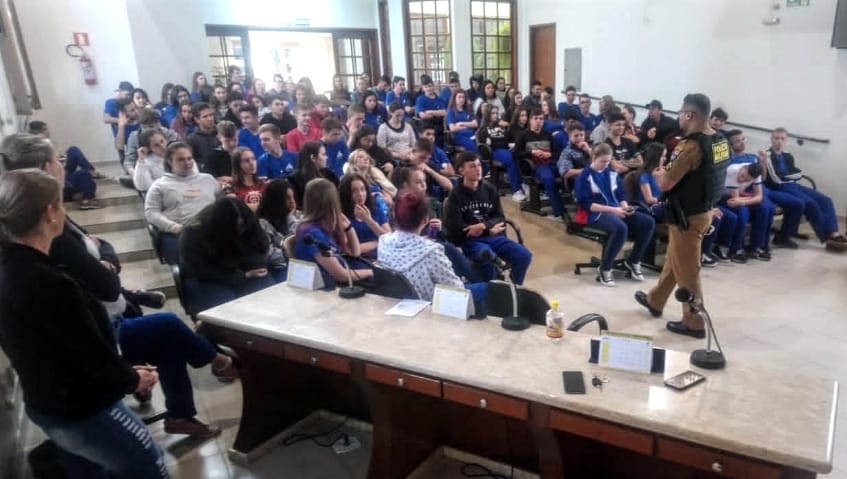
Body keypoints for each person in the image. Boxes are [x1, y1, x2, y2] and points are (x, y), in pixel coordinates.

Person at [0, 168, 170, 478]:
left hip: (48, 400)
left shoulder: (14, 265)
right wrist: (131, 380)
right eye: (61, 203)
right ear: (49, 213)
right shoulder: (47, 282)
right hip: (82, 407)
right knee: (149, 463)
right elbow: (88, 352)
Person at [635, 93, 730, 339]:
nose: (678, 117)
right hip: (704, 210)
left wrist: (658, 172)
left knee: (688, 273)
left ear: (689, 115)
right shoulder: (719, 140)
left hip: (688, 216)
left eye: (680, 113)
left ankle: (694, 322)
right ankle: (656, 300)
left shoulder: (691, 146)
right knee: (675, 260)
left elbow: (665, 182)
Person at [379, 187, 488, 313]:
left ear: (395, 216)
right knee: (488, 289)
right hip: (431, 309)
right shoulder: (432, 252)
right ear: (426, 220)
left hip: (398, 305)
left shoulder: (383, 241)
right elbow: (458, 291)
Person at [445, 152, 533, 285]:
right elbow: (455, 228)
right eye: (472, 166)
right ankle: (492, 289)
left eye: (479, 165)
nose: (478, 169)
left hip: (494, 237)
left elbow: (499, 217)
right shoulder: (455, 195)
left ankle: (515, 287)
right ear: (462, 170)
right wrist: (487, 229)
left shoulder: (489, 189)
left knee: (524, 255)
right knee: (487, 257)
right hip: (472, 242)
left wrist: (484, 226)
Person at [574, 143, 655, 286]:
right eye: (603, 161)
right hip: (594, 213)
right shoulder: (584, 177)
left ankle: (633, 261)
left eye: (608, 161)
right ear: (594, 157)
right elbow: (586, 204)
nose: (606, 164)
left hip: (616, 209)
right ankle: (605, 269)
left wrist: (624, 206)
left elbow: (621, 193)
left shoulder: (611, 173)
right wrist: (613, 210)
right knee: (620, 228)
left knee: (648, 222)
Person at [180, 197, 282, 311]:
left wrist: (246, 269)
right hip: (211, 277)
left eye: (242, 225)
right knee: (228, 311)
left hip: (247, 271)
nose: (240, 230)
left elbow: (260, 251)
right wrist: (241, 276)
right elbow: (199, 269)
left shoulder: (249, 223)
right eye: (236, 226)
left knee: (271, 303)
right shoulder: (193, 232)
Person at [764, 127, 846, 252]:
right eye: (776, 138)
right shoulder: (767, 156)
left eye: (782, 139)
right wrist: (791, 175)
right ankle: (828, 237)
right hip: (779, 187)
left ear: (786, 140)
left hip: (793, 185)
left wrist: (790, 176)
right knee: (810, 203)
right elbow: (776, 178)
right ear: (771, 139)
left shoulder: (788, 156)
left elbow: (797, 174)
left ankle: (834, 232)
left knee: (825, 200)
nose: (779, 141)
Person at [144, 141, 220, 264]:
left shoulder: (208, 179)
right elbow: (151, 213)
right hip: (181, 233)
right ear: (170, 161)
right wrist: (174, 227)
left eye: (189, 158)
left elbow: (221, 202)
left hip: (214, 230)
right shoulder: (160, 185)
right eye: (181, 159)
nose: (187, 162)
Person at [294, 178, 374, 288]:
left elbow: (355, 253)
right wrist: (371, 272)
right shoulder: (311, 232)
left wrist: (349, 228)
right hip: (331, 286)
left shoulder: (325, 224)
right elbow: (341, 275)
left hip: (348, 274)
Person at [27, 122, 103, 209]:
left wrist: (60, 160)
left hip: (58, 177)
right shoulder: (41, 147)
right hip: (57, 186)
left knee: (73, 150)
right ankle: (86, 200)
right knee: (84, 174)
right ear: (39, 133)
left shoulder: (37, 146)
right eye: (45, 129)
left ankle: (92, 172)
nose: (48, 131)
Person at [514, 108, 563, 217]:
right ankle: (559, 211)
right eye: (535, 118)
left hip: (551, 163)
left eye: (541, 119)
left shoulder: (548, 134)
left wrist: (549, 154)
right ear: (530, 120)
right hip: (536, 166)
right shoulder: (523, 135)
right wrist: (531, 152)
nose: (538, 121)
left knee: (568, 172)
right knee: (549, 178)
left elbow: (558, 153)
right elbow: (516, 154)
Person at [476, 103, 524, 201]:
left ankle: (523, 185)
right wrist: (493, 142)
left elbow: (507, 139)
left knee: (518, 155)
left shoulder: (502, 127)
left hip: (505, 149)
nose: (495, 115)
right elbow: (483, 144)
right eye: (493, 113)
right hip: (494, 152)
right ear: (488, 114)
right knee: (510, 157)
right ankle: (516, 190)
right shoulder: (483, 129)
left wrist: (508, 143)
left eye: (496, 113)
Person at [338, 173, 391, 259]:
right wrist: (378, 242)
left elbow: (389, 239)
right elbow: (349, 249)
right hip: (359, 260)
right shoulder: (342, 216)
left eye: (363, 189)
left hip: (383, 256)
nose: (360, 194)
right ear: (346, 194)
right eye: (354, 191)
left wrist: (368, 220)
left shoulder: (376, 210)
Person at [289, 141, 338, 206]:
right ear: (313, 158)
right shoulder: (295, 180)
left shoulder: (329, 174)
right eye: (323, 154)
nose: (326, 157)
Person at [226, 147, 267, 211]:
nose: (252, 163)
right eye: (246, 161)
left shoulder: (264, 183)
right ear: (237, 165)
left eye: (253, 159)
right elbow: (236, 208)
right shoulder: (229, 186)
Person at [415, 75, 447, 139]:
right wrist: (438, 114)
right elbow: (422, 115)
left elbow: (444, 112)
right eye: (426, 87)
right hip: (427, 129)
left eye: (430, 86)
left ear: (433, 86)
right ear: (423, 88)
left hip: (440, 129)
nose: (428, 89)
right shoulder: (420, 99)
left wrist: (431, 112)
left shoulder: (440, 99)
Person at [446, 89, 479, 153]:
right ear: (454, 99)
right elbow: (453, 128)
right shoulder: (451, 111)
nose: (461, 99)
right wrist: (469, 125)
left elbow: (475, 124)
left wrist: (461, 123)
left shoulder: (468, 110)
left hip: (472, 135)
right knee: (472, 146)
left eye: (463, 97)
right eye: (459, 97)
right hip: (459, 136)